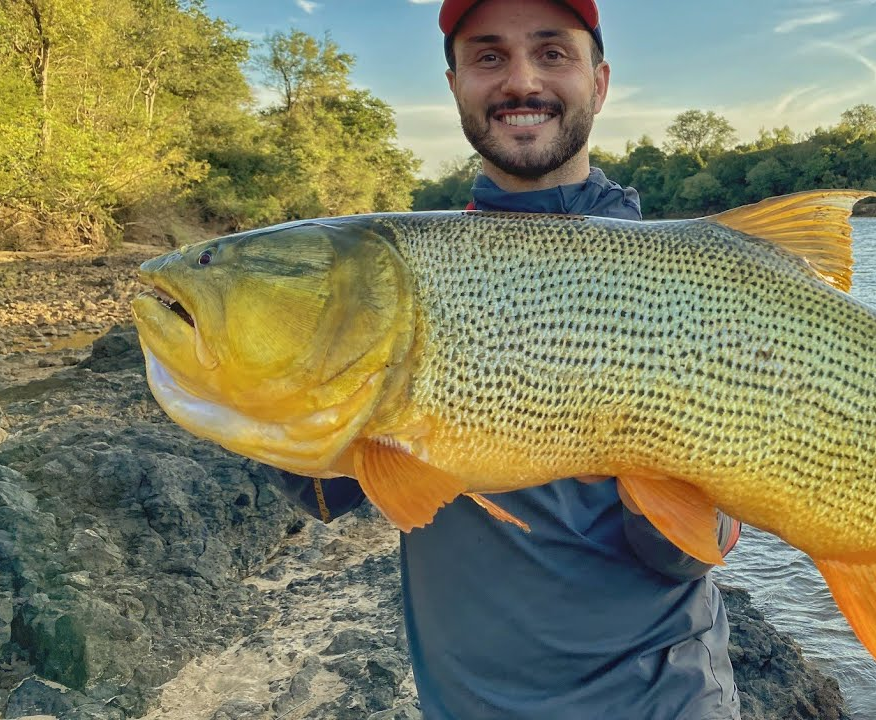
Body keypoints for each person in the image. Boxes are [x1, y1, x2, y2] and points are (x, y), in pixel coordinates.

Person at [271, 1, 743, 717]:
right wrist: (244, 376)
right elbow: (316, 494)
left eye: (552, 53)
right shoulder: (399, 281)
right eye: (489, 56)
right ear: (456, 83)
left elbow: (691, 552)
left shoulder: (687, 286)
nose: (521, 80)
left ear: (601, 80)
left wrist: (663, 468)